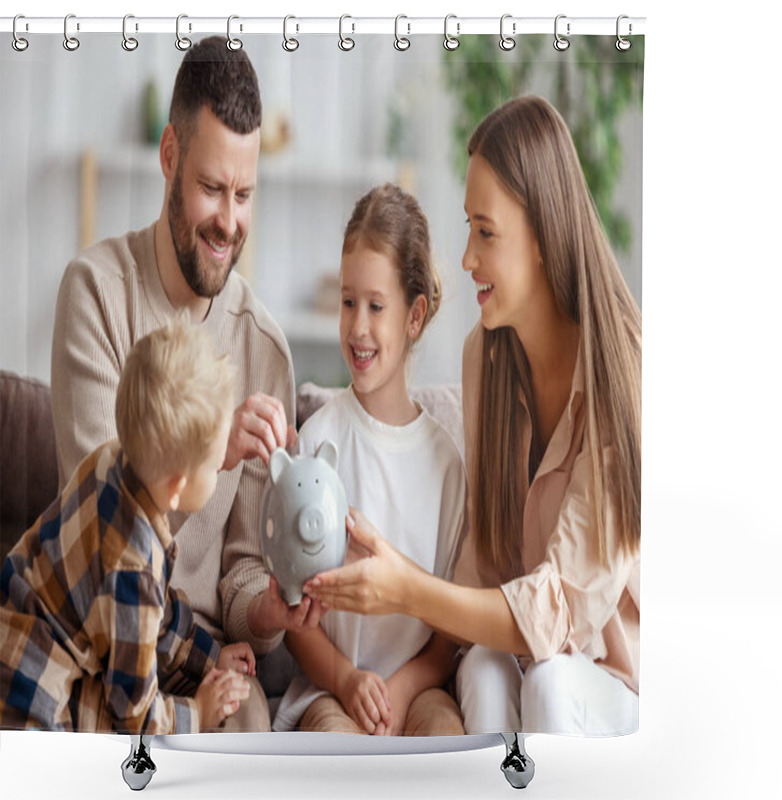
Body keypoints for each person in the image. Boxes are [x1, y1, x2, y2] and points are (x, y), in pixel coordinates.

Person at [305, 96, 641, 736]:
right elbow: (483, 572)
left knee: (548, 678)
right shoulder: (485, 360)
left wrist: (403, 588)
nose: (465, 258)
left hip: (608, 684)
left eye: (484, 232)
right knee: (485, 668)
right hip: (519, 659)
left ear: (542, 236)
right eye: (468, 229)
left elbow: (555, 613)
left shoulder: (626, 371)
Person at [49, 36, 321, 732]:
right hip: (99, 633)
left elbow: (240, 574)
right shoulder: (95, 295)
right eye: (210, 188)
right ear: (169, 156)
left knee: (250, 722)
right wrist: (208, 447)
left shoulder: (265, 350)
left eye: (244, 194)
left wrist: (270, 610)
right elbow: (99, 522)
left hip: (197, 649)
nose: (228, 222)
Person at [272, 184, 466, 736]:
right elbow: (294, 616)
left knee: (446, 740)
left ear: (414, 316)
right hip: (328, 690)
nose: (357, 327)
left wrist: (400, 692)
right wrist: (348, 680)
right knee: (337, 750)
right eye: (348, 301)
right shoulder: (317, 442)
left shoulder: (446, 465)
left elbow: (448, 632)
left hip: (419, 689)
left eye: (376, 306)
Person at [1, 317, 254, 733]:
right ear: (177, 489)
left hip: (16, 626)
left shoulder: (111, 459)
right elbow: (135, 713)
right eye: (214, 463)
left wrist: (208, 656)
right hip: (32, 708)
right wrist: (199, 712)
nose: (222, 467)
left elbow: (155, 612)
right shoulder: (133, 569)